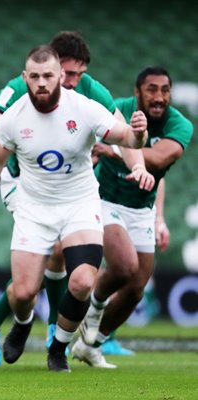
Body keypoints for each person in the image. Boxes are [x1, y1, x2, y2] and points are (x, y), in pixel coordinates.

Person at [0, 45, 149, 372]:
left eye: (49, 75)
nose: (42, 82)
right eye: (35, 77)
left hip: (79, 205)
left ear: (60, 76)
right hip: (33, 207)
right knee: (23, 291)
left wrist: (139, 136)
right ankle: (21, 321)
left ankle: (58, 345)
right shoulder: (14, 118)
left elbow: (124, 137)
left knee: (84, 282)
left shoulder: (86, 106)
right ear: (25, 78)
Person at [71, 66, 193, 368]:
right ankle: (91, 312)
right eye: (152, 89)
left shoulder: (179, 125)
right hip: (104, 199)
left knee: (136, 289)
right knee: (124, 266)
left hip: (142, 209)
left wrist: (114, 151)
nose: (159, 96)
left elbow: (160, 160)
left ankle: (92, 345)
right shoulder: (119, 110)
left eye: (165, 90)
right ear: (137, 92)